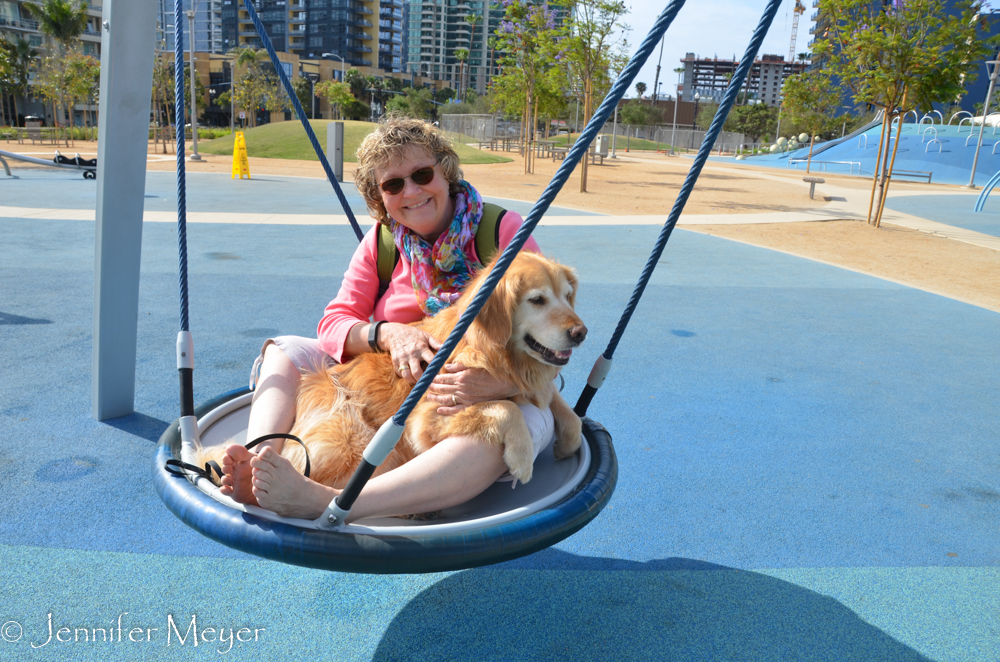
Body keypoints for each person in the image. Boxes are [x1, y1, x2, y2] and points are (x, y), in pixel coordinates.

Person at [219, 117, 550, 522]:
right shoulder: (383, 240)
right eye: (393, 185)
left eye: (422, 174)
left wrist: (502, 383)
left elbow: (547, 333)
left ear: (445, 173)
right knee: (285, 350)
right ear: (381, 197)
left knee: (502, 431)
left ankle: (330, 502)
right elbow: (334, 323)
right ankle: (259, 462)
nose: (410, 191)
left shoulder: (503, 231)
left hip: (491, 388)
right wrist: (389, 333)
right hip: (391, 382)